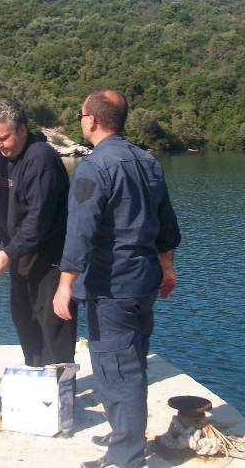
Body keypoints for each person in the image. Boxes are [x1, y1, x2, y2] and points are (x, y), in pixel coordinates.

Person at [53, 90, 180, 468]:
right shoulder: (148, 162)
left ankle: (126, 457)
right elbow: (167, 223)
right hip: (144, 282)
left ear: (91, 120)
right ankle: (122, 434)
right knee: (131, 361)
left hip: (111, 287)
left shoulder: (95, 168)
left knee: (116, 370)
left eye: (81, 115)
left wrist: (65, 284)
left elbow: (80, 230)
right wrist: (168, 267)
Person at [0, 98, 76, 366]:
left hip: (50, 256)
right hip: (19, 252)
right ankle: (35, 377)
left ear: (22, 129)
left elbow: (39, 219)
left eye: (4, 138)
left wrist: (9, 252)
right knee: (24, 318)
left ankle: (59, 388)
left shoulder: (41, 158)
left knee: (53, 324)